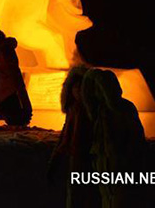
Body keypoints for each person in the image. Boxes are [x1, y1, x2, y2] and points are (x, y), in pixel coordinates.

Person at [82, 68, 145, 207]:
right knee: (107, 197)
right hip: (103, 161)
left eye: (99, 88)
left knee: (120, 198)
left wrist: (128, 158)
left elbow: (136, 137)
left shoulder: (124, 108)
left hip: (119, 161)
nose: (96, 92)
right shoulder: (98, 110)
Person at [48, 65, 97, 208]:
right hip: (76, 155)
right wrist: (55, 159)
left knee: (84, 194)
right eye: (75, 88)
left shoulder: (91, 112)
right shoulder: (74, 110)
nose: (78, 91)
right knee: (76, 193)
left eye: (81, 88)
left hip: (88, 156)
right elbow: (65, 134)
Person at [0, 29, 32, 126]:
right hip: (6, 82)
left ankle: (17, 121)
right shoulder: (3, 48)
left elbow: (6, 64)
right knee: (8, 101)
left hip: (9, 81)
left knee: (11, 101)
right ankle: (16, 120)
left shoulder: (5, 49)